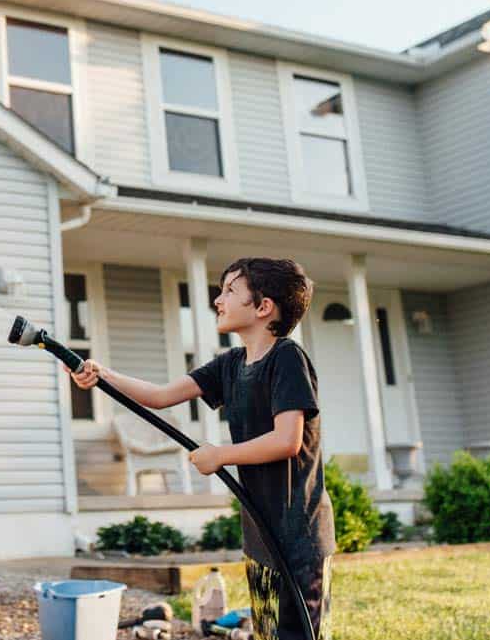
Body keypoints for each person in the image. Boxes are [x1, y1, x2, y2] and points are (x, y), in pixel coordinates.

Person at [67, 257, 333, 640]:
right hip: (262, 528)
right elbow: (159, 397)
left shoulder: (287, 359)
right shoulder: (231, 365)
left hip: (298, 531)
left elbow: (286, 440)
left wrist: (220, 454)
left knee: (298, 633)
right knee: (269, 631)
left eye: (229, 291)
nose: (217, 300)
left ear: (263, 307)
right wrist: (100, 373)